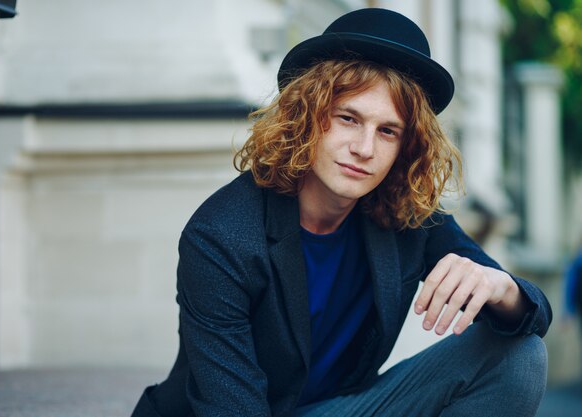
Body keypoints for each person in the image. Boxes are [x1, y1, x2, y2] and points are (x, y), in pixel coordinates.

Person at [131, 8, 552, 417]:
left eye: (388, 131)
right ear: (309, 116)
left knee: (519, 355)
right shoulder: (221, 235)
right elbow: (231, 407)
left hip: (341, 407)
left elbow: (537, 314)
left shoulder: (408, 216)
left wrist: (503, 288)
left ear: (406, 147)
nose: (364, 149)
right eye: (348, 118)